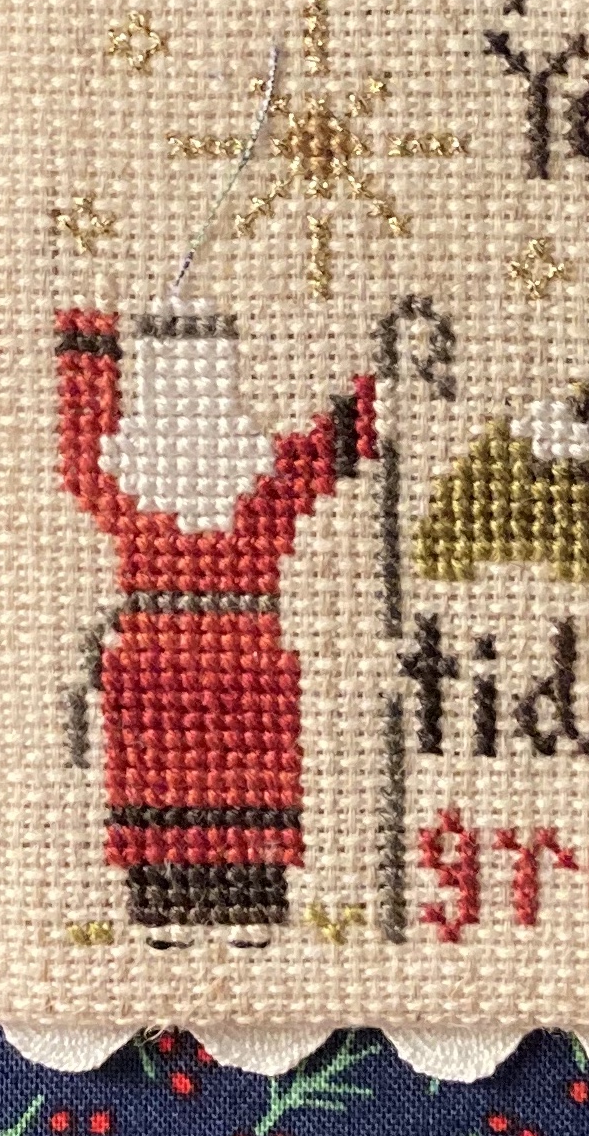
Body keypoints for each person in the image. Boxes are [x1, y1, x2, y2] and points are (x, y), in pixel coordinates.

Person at [56, 292, 377, 940]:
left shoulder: (142, 476)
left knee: (238, 780)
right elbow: (328, 451)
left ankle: (237, 899)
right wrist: (87, 342)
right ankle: (174, 900)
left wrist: (89, 345)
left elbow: (329, 450)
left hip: (210, 657)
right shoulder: (255, 478)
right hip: (200, 658)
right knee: (175, 779)